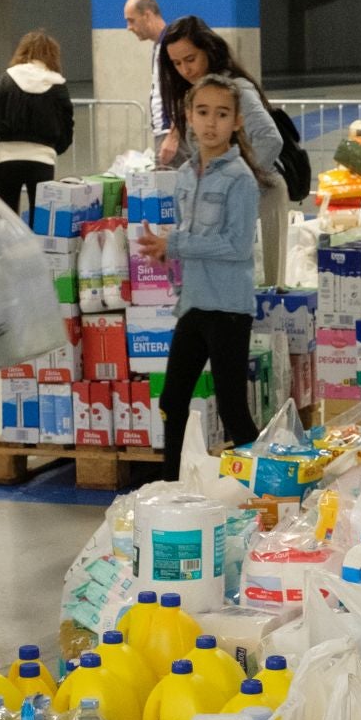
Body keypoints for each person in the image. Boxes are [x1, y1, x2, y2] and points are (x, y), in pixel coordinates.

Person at [135, 74, 268, 478]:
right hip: (193, 303)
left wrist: (175, 244)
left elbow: (236, 246)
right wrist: (167, 251)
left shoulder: (241, 179)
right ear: (188, 116)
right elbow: (194, 239)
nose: (211, 123)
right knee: (173, 401)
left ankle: (262, 489)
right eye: (203, 112)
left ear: (237, 122)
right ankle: (171, 485)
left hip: (228, 309)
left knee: (232, 410)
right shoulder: (186, 176)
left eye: (222, 114)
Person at [155, 15, 287, 289]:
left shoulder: (236, 90)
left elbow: (270, 139)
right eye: (177, 63)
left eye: (190, 59)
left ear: (208, 50)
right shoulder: (195, 96)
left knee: (263, 289)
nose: (185, 70)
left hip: (262, 196)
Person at [0, 29, 73, 217]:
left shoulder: (4, 80)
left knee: (6, 219)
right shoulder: (57, 85)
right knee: (42, 219)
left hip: (6, 159)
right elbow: (67, 126)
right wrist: (54, 147)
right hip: (42, 160)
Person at [123, 0, 169, 157]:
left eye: (131, 20)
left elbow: (182, 92)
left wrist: (174, 135)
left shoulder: (169, 45)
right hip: (162, 132)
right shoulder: (159, 45)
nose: (129, 27)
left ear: (147, 15)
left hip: (169, 133)